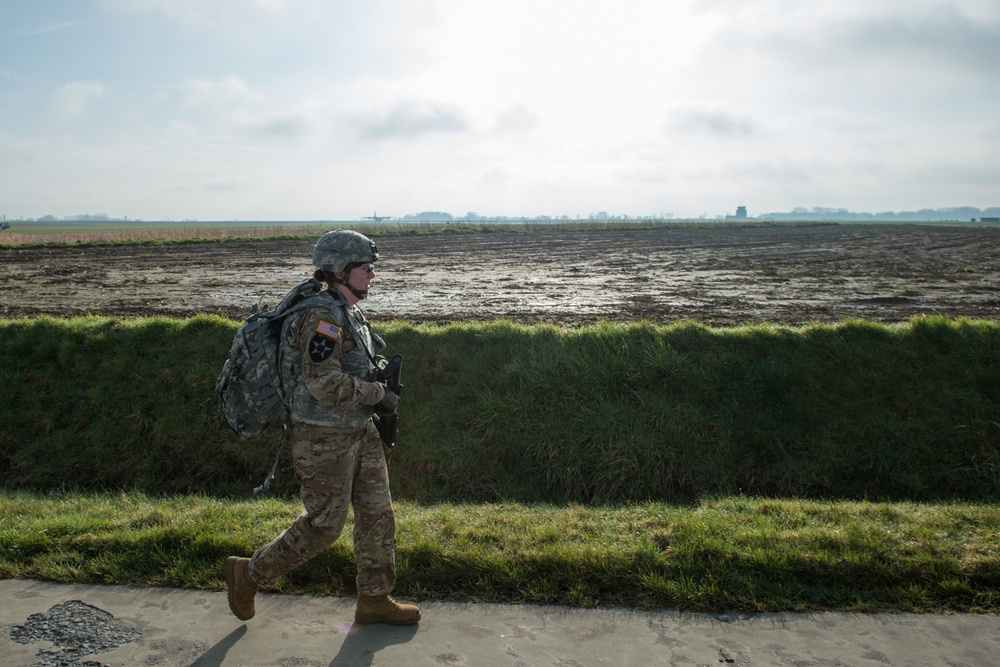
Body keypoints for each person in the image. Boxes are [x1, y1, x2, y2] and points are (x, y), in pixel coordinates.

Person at [224, 229, 420, 626]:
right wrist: (376, 393)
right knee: (323, 526)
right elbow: (323, 382)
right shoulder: (322, 316)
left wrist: (373, 389)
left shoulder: (346, 309)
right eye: (366, 268)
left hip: (358, 429)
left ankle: (374, 599)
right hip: (322, 436)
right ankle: (248, 574)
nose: (372, 275)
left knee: (377, 513)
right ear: (340, 269)